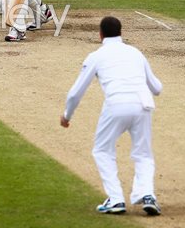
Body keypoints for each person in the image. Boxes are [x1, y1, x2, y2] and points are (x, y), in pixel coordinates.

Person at [60, 16, 163, 216]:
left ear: (100, 34)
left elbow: (75, 93)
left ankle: (115, 199)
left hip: (116, 103)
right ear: (121, 32)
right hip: (143, 104)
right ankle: (148, 195)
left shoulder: (96, 56)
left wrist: (66, 115)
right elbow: (157, 88)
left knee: (102, 150)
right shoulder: (135, 52)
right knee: (143, 153)